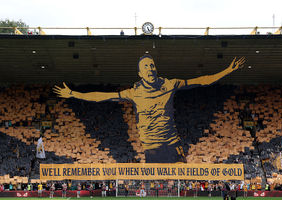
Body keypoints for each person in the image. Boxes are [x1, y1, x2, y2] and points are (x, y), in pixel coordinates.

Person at [53, 54, 245, 163]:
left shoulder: (170, 84)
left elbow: (200, 81)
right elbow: (101, 97)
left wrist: (227, 70)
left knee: (181, 182)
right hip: (151, 149)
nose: (150, 68)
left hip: (172, 145)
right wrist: (73, 94)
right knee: (157, 185)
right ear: (140, 73)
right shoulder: (133, 93)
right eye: (146, 66)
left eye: (152, 65)